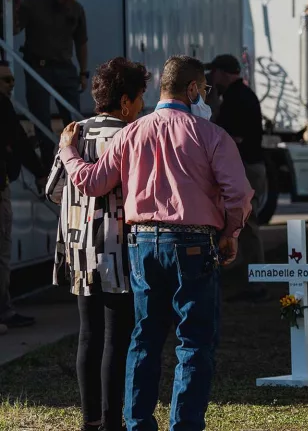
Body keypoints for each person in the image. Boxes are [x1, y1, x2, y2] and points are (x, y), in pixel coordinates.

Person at [58, 55, 252, 431]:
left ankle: (138, 423)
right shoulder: (210, 134)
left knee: (143, 337)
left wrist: (67, 150)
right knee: (194, 340)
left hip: (142, 243)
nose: (206, 96)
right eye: (205, 90)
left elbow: (93, 182)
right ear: (193, 89)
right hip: (194, 242)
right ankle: (185, 424)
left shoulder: (131, 133)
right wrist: (231, 233)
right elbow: (239, 194)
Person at [47, 57, 149, 431]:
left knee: (88, 335)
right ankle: (111, 421)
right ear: (125, 101)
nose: (142, 106)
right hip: (118, 250)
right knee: (117, 337)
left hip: (80, 248)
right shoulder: (131, 136)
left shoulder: (74, 132)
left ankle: (90, 421)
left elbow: (53, 190)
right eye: (140, 98)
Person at [206, 54, 267, 303]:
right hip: (251, 166)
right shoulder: (242, 94)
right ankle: (250, 278)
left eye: (215, 73)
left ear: (222, 72)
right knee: (244, 224)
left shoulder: (235, 98)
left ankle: (258, 283)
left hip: (247, 168)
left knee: (248, 225)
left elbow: (224, 134)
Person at [16, 0, 89, 165]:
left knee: (73, 118)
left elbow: (81, 42)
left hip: (65, 68)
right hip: (38, 68)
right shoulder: (33, 4)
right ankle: (49, 165)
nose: (70, 2)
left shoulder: (76, 9)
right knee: (41, 118)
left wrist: (83, 72)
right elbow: (14, 29)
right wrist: (14, 8)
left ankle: (77, 162)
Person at [0, 60, 46, 333]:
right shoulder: (3, 106)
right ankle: (4, 311)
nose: (11, 85)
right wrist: (40, 173)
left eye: (12, 80)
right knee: (2, 253)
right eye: (5, 80)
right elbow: (19, 141)